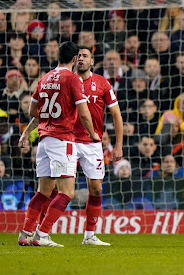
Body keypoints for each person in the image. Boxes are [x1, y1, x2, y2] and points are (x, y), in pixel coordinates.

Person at [17, 41, 100, 247]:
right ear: (74, 59)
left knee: (43, 191)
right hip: (63, 139)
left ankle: (25, 232)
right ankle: (42, 234)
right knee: (67, 192)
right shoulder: (73, 79)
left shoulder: (44, 78)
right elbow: (83, 112)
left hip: (44, 141)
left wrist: (27, 133)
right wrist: (93, 134)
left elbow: (32, 112)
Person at [74, 46, 123, 245]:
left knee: (95, 189)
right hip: (68, 140)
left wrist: (118, 146)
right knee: (56, 189)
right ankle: (41, 231)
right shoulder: (68, 81)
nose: (81, 59)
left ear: (92, 61)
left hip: (93, 142)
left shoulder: (103, 83)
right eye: (78, 56)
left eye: (85, 56)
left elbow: (117, 115)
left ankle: (89, 235)